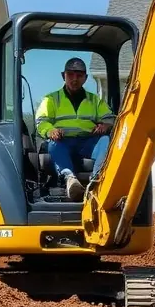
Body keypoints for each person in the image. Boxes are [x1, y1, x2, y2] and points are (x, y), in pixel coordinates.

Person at [34, 57, 116, 201]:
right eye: (70, 75)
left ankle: (96, 181)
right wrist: (50, 131)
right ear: (63, 76)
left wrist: (105, 125)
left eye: (79, 76)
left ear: (85, 78)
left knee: (105, 140)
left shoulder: (94, 100)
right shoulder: (51, 99)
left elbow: (110, 118)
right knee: (53, 145)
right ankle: (70, 179)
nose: (74, 79)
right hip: (63, 142)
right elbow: (42, 121)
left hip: (87, 142)